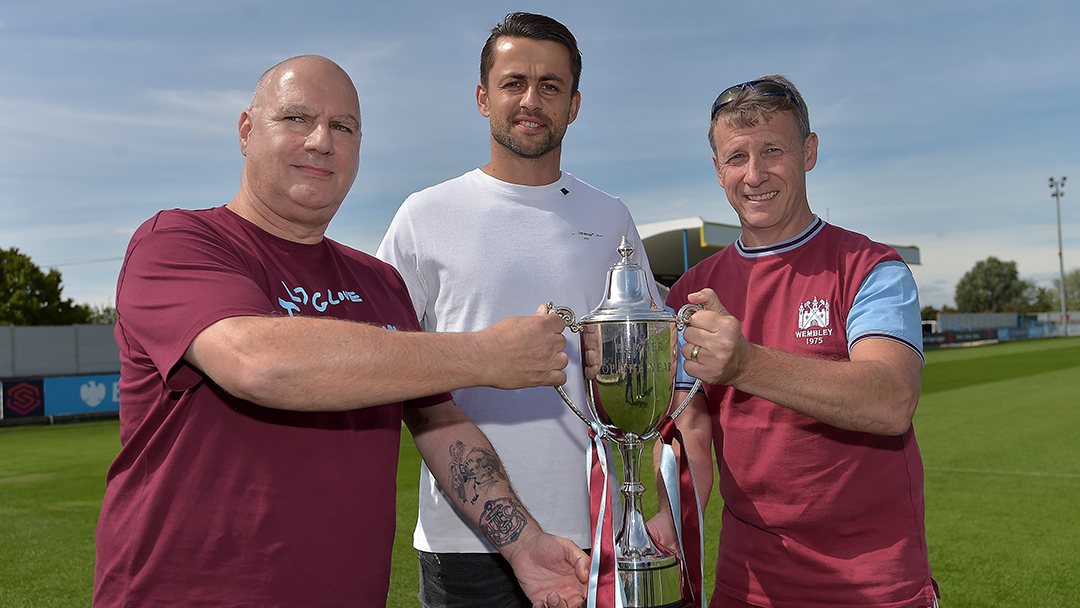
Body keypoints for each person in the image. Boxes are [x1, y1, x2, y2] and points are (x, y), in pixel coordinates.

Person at [92, 54, 591, 608]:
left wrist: (523, 544)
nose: (321, 141)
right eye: (296, 119)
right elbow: (257, 363)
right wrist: (483, 354)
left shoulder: (379, 282)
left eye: (343, 127)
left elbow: (440, 423)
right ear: (246, 130)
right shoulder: (179, 241)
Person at [376, 12, 659, 608]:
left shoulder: (611, 220)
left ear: (574, 105)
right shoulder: (423, 216)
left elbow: (648, 381)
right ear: (483, 97)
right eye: (513, 83)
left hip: (597, 531)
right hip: (463, 543)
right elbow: (390, 366)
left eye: (550, 86)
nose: (531, 100)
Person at [651, 76, 939, 607]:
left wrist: (744, 365)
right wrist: (674, 512)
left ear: (808, 152)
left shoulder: (871, 268)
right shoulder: (692, 293)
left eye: (773, 151)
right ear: (718, 170)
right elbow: (689, 423)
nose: (754, 175)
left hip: (875, 585)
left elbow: (891, 399)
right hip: (749, 584)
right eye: (736, 157)